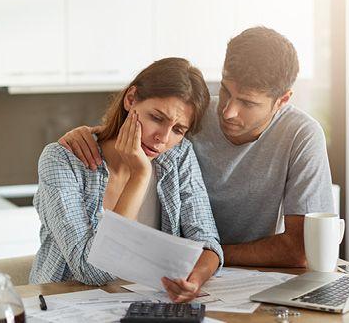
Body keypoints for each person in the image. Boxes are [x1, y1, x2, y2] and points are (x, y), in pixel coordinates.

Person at [59, 27, 335, 268]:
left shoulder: (301, 135)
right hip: (178, 271)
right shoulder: (194, 116)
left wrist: (207, 255)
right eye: (226, 90)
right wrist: (92, 134)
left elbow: (300, 251)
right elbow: (144, 132)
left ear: (282, 100)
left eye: (248, 103)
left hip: (214, 270)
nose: (228, 112)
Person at [29, 57, 223, 302]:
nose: (162, 139)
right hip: (67, 305)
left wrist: (195, 280)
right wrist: (140, 176)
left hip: (143, 304)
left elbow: (207, 241)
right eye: (157, 118)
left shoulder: (179, 155)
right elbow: (92, 271)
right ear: (131, 99)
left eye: (177, 130)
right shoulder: (63, 161)